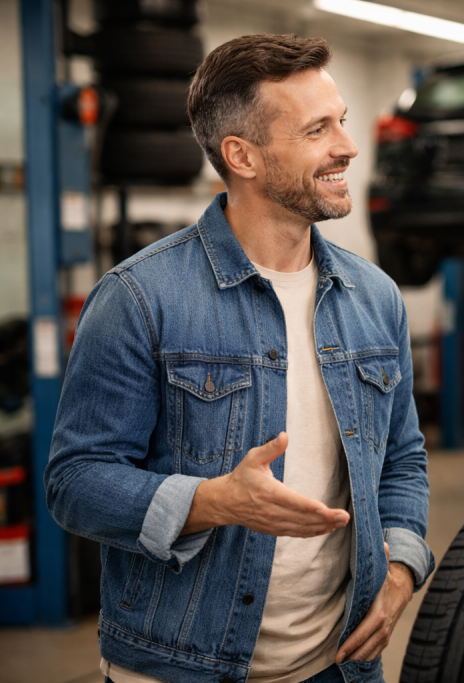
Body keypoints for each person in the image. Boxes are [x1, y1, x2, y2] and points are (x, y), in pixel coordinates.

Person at [45, 34, 432, 683]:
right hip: (179, 665)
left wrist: (400, 570)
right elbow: (76, 482)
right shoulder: (140, 298)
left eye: (341, 120)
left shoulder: (374, 297)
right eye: (317, 129)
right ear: (242, 155)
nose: (347, 145)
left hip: (339, 664)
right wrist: (213, 500)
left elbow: (402, 458)